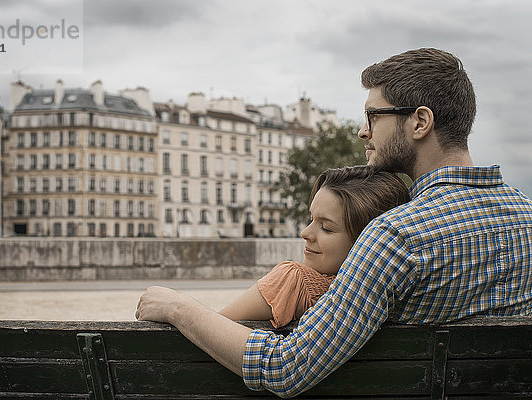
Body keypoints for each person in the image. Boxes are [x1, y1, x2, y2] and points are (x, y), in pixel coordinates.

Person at [136, 48, 532, 398]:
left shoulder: (398, 236)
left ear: (419, 122)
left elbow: (285, 369)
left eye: (373, 116)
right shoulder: (527, 218)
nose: (364, 130)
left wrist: (180, 307)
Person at [219, 165, 410, 328]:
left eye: (326, 228)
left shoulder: (295, 280)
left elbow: (208, 332)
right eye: (311, 219)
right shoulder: (394, 294)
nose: (305, 233)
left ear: (366, 240)